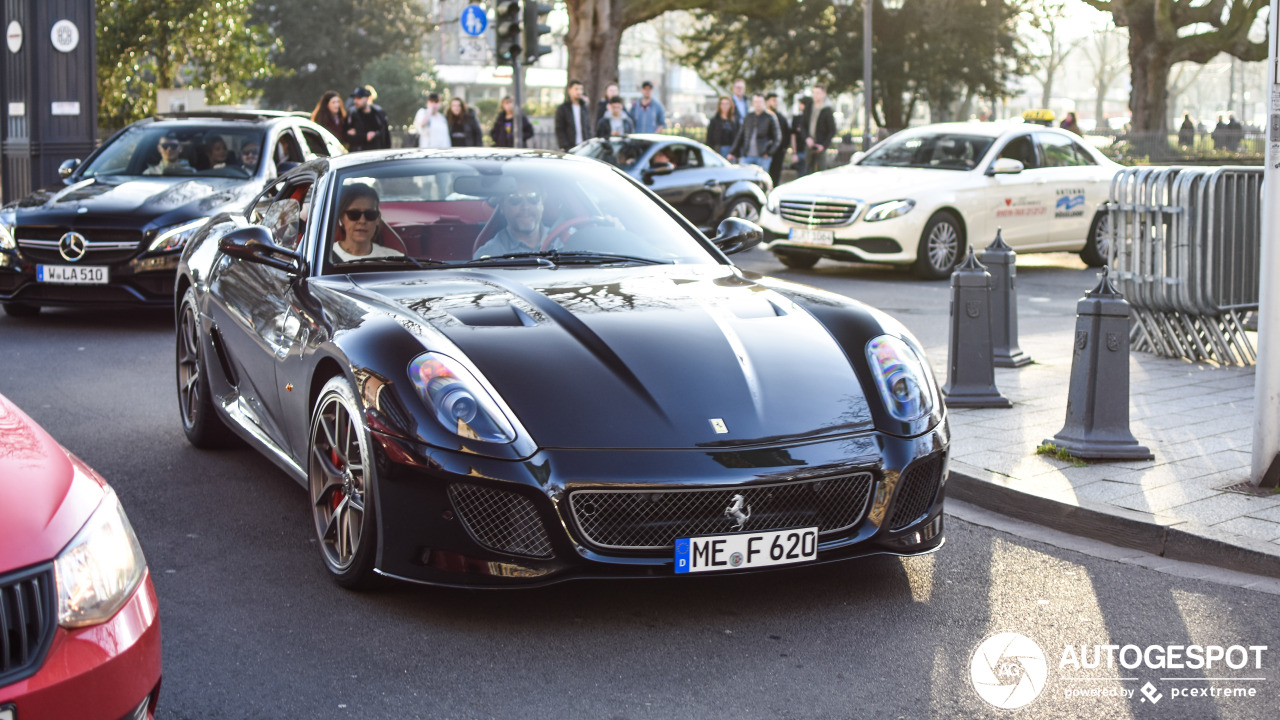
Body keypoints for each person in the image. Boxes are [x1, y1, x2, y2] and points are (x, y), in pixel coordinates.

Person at [473, 182, 564, 258]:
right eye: (515, 199)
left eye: (533, 198)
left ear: (542, 204)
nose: (525, 207)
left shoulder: (565, 240)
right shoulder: (489, 255)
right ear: (502, 207)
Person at [332, 184, 402, 262]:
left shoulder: (395, 260)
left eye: (370, 214)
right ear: (341, 218)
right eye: (354, 214)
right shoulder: (322, 258)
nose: (362, 221)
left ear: (378, 219)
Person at [728, 94, 779, 169]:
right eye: (755, 102)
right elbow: (740, 135)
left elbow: (777, 137)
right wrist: (732, 152)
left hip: (763, 156)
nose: (757, 104)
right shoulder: (749, 116)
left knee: (761, 178)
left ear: (764, 102)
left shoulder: (770, 117)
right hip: (747, 155)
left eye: (760, 102)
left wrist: (769, 152)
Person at [801, 84, 836, 175]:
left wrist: (823, 145)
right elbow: (803, 125)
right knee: (808, 170)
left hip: (821, 144)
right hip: (809, 143)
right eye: (814, 93)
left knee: (822, 170)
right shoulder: (809, 106)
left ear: (824, 94)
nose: (815, 95)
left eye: (818, 93)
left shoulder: (827, 109)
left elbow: (832, 130)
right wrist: (807, 138)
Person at [345, 86, 391, 151]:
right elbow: (347, 137)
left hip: (377, 154)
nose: (355, 101)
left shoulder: (379, 114)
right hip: (359, 156)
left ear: (367, 98)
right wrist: (364, 137)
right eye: (355, 98)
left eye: (359, 98)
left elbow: (385, 136)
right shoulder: (352, 115)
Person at [555, 80, 590, 151]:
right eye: (576, 89)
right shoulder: (563, 108)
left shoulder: (584, 108)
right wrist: (563, 145)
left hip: (584, 145)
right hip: (569, 146)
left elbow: (587, 127)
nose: (579, 92)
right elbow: (559, 128)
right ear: (569, 90)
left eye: (581, 89)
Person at [765, 92, 791, 186]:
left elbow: (787, 134)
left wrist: (784, 148)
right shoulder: (763, 116)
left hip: (778, 152)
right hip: (765, 152)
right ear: (767, 102)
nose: (775, 103)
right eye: (773, 101)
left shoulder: (781, 118)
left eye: (776, 101)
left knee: (776, 175)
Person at [793, 96, 812, 174]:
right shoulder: (797, 119)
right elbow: (793, 136)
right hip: (800, 151)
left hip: (810, 151)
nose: (800, 106)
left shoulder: (812, 119)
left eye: (801, 104)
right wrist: (794, 153)